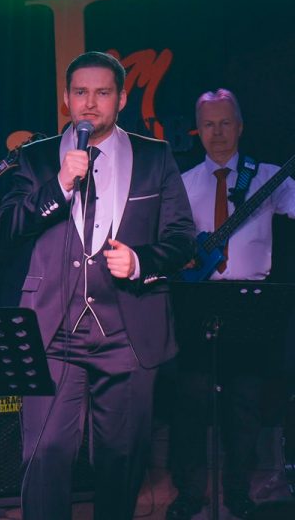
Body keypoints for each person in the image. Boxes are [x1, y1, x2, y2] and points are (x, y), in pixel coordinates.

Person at [0, 51, 196, 520]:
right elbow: (5, 230)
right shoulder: (36, 157)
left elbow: (182, 237)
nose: (90, 102)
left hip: (128, 330)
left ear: (121, 99)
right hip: (52, 331)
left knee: (121, 460)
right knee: (45, 454)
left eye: (102, 92)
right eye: (80, 92)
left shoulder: (155, 155)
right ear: (66, 99)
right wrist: (60, 185)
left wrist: (141, 261)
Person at [166, 89, 295, 520]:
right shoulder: (183, 184)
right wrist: (180, 257)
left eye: (225, 123)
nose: (217, 133)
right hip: (196, 301)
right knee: (190, 402)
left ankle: (238, 490)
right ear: (197, 130)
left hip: (251, 303)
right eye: (208, 125)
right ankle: (189, 493)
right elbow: (168, 242)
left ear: (240, 127)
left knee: (245, 404)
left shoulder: (268, 177)